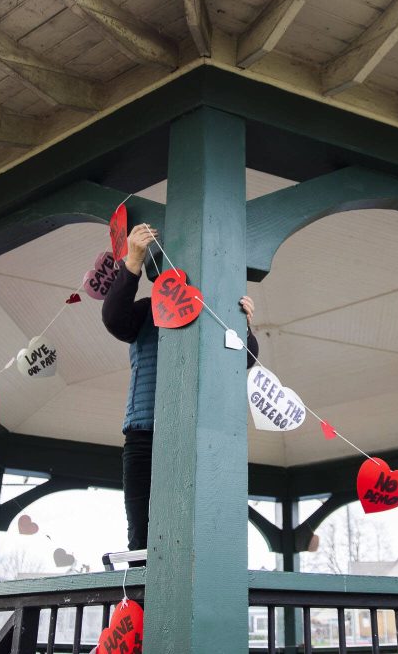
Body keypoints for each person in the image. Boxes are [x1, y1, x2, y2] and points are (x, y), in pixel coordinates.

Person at [102, 222, 259, 555]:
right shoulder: (147, 310)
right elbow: (115, 318)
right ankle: (142, 601)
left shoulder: (216, 316)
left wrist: (244, 322)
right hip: (146, 432)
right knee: (142, 534)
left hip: (199, 437)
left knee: (198, 530)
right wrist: (132, 263)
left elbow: (244, 359)